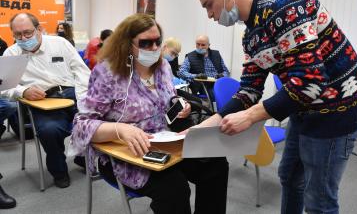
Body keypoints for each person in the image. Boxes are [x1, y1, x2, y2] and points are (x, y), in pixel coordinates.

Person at [189, 0, 357, 214]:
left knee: (319, 201)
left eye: (208, 5)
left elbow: (310, 82)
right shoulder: (251, 34)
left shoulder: (285, 6)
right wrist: (204, 126)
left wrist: (250, 116)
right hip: (305, 109)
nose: (210, 15)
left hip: (338, 110)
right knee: (289, 176)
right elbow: (249, 90)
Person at [69, 13, 228, 214]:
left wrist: (181, 105)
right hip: (127, 152)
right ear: (127, 44)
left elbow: (169, 98)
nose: (154, 48)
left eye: (157, 42)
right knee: (175, 189)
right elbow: (82, 124)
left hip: (167, 142)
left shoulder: (162, 66)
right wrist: (120, 130)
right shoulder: (107, 73)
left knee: (215, 164)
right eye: (145, 43)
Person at [1, 12, 90, 188]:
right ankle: (59, 171)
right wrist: (23, 90)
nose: (23, 38)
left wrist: (83, 99)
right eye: (17, 35)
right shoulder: (11, 53)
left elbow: (82, 72)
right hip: (42, 99)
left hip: (72, 92)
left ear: (39, 29)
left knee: (95, 120)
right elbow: (4, 87)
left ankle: (81, 157)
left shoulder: (60, 43)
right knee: (49, 130)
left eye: (28, 32)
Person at [177, 35, 230, 100]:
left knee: (232, 93)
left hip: (219, 83)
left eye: (203, 45)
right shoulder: (190, 56)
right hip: (202, 86)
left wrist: (222, 75)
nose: (200, 47)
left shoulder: (216, 54)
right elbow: (181, 72)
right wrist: (196, 76)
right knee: (217, 95)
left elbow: (226, 71)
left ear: (208, 45)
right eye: (198, 44)